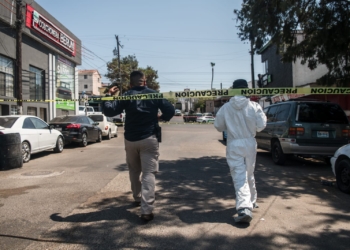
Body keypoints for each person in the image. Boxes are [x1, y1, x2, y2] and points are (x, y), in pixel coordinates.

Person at [103, 71, 175, 222]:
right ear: (145, 82)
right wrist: (162, 117)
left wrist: (109, 94)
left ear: (130, 84)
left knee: (134, 171)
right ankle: (146, 210)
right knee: (149, 173)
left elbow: (109, 110)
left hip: (130, 139)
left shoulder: (127, 95)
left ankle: (137, 198)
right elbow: (170, 110)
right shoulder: (154, 94)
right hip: (149, 138)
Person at [214, 79, 267, 223]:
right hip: (250, 142)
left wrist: (230, 124)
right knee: (249, 172)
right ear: (246, 90)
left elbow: (218, 126)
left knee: (239, 175)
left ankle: (244, 208)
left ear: (233, 90)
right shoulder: (254, 106)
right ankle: (252, 200)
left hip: (234, 143)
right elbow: (261, 125)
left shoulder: (226, 108)